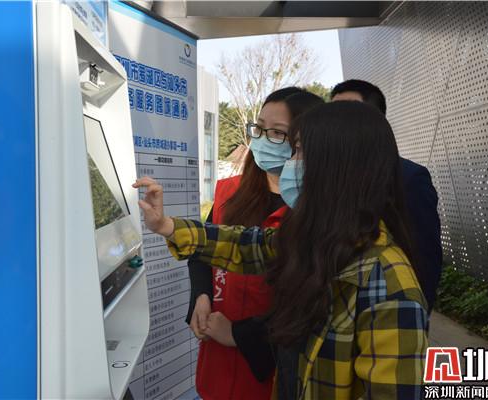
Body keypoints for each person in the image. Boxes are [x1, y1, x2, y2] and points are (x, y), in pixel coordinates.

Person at [135, 101, 429, 400]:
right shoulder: (315, 241)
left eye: (298, 151)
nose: (291, 163)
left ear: (337, 168)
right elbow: (246, 245)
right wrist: (166, 225)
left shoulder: (389, 285)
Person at [187, 87, 324, 400]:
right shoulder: (229, 193)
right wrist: (201, 296)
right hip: (217, 359)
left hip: (271, 369)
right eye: (259, 128)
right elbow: (203, 251)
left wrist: (238, 334)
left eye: (277, 132)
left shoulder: (315, 213)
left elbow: (313, 306)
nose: (262, 139)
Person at [331, 79, 443, 311]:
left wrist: (417, 314)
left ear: (376, 121)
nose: (336, 121)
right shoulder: (332, 176)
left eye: (348, 112)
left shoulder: (409, 177)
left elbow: (425, 257)